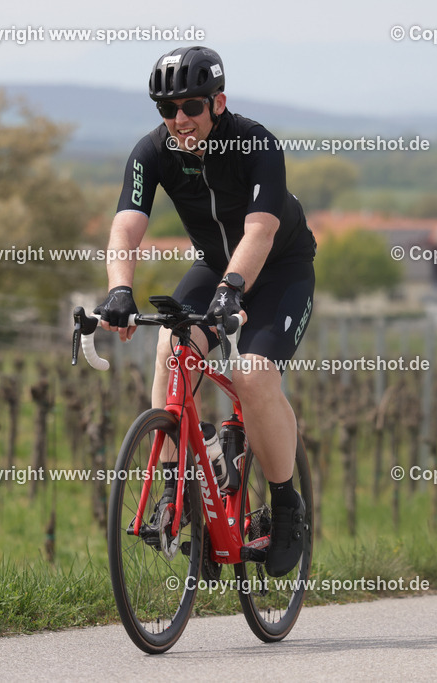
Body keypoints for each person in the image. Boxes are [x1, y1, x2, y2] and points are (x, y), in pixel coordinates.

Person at [95, 46, 316, 577]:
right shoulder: (153, 151)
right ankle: (181, 498)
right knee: (173, 351)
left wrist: (233, 288)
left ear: (218, 101)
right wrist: (119, 291)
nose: (178, 119)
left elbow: (260, 230)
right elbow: (126, 225)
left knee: (255, 375)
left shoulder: (255, 142)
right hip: (215, 268)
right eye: (166, 109)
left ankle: (285, 508)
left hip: (278, 270)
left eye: (190, 106)